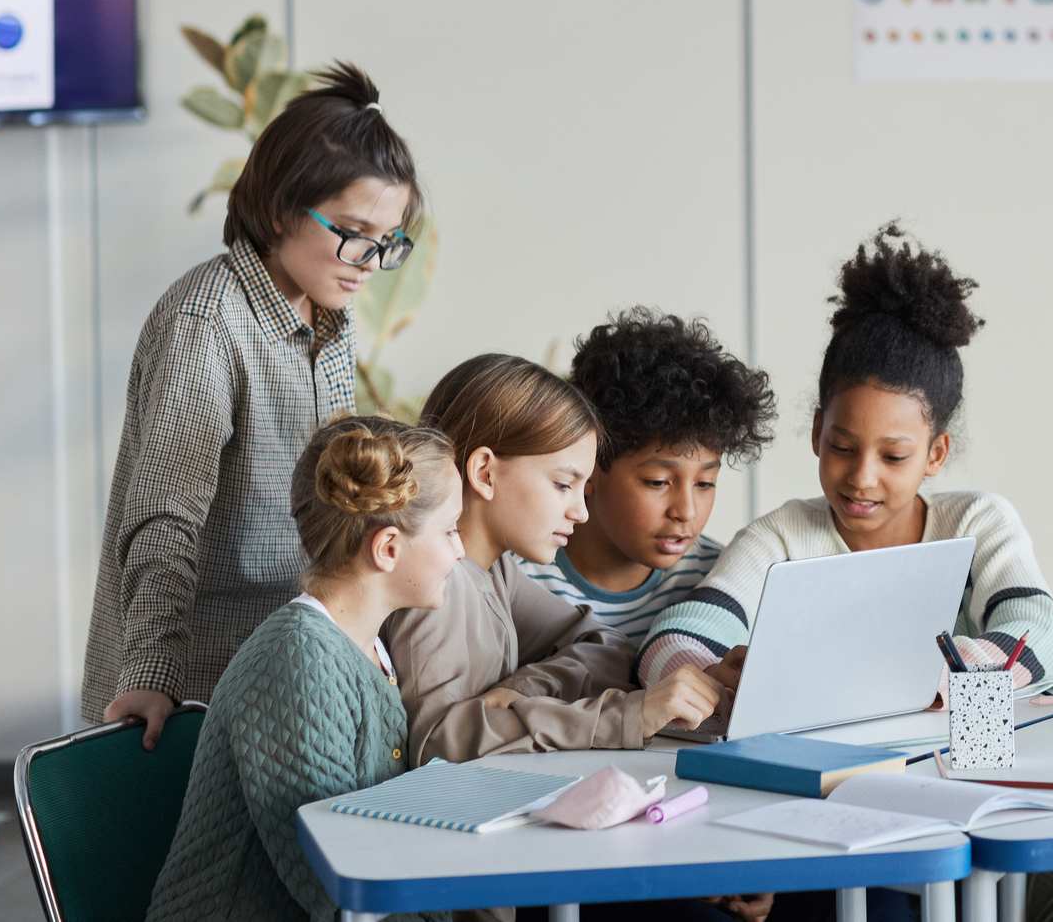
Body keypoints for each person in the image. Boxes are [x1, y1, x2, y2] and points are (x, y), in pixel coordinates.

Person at [642, 225, 1053, 922]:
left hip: (1014, 776)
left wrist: (914, 675)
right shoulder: (782, 536)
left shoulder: (975, 520)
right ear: (815, 433)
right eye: (841, 447)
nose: (861, 477)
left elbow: (1038, 632)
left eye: (894, 456)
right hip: (909, 813)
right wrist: (710, 680)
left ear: (937, 452)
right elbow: (677, 636)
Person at [83, 61, 424, 748]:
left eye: (386, 242)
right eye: (354, 232)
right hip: (185, 694)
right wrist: (151, 669)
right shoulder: (205, 325)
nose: (367, 260)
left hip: (280, 665)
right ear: (279, 209)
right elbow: (163, 517)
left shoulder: (326, 311)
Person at [146, 415, 462, 922]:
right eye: (450, 530)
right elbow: (334, 886)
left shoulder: (366, 646)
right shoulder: (299, 661)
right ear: (388, 549)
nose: (460, 550)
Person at [383, 354, 723, 766]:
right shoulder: (434, 584)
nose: (580, 512)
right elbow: (435, 741)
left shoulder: (496, 572)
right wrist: (628, 716)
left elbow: (606, 646)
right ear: (485, 473)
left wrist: (525, 689)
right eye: (563, 484)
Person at [520, 308, 776, 642]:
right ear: (589, 468)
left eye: (705, 483)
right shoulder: (517, 578)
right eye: (658, 482)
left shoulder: (721, 582)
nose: (686, 511)